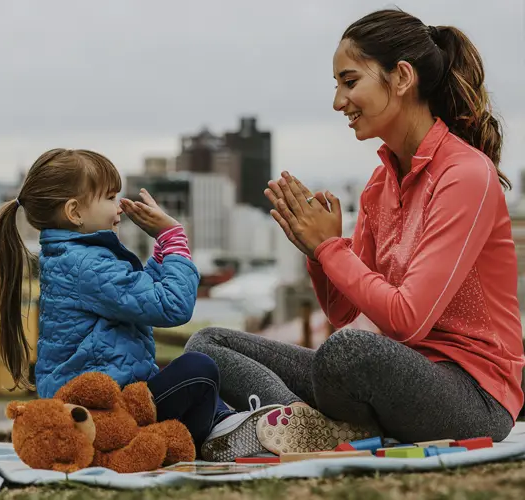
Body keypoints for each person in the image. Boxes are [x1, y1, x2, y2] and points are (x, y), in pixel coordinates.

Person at [186, 8, 525, 455]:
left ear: (401, 77)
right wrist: (314, 249)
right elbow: (345, 312)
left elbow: (408, 320)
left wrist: (330, 247)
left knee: (347, 354)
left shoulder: (465, 174)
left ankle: (311, 426)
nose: (338, 102)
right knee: (207, 344)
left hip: (473, 396)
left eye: (349, 82)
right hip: (383, 373)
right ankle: (308, 426)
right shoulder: (380, 185)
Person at [0, 148, 281, 461]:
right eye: (110, 197)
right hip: (105, 420)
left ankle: (223, 424)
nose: (120, 208)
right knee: (199, 368)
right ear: (75, 212)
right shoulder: (89, 266)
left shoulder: (73, 259)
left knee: (186, 374)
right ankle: (219, 431)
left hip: (109, 408)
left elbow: (138, 295)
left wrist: (161, 252)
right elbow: (172, 306)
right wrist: (173, 238)